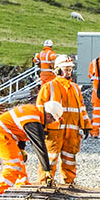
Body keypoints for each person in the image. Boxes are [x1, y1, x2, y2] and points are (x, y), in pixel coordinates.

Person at [36, 54, 86, 187]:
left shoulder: (75, 88)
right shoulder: (49, 87)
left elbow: (82, 108)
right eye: (66, 69)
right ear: (58, 70)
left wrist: (86, 125)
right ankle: (45, 181)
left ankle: (69, 181)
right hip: (54, 131)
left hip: (72, 131)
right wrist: (41, 128)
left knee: (70, 158)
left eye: (70, 69)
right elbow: (40, 109)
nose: (68, 72)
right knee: (50, 158)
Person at [0, 101, 51, 198]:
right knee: (14, 164)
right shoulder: (34, 122)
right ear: (49, 116)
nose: (51, 123)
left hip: (1, 131)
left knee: (18, 158)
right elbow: (40, 147)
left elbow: (21, 129)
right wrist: (47, 170)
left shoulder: (33, 112)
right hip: (0, 133)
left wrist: (21, 148)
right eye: (52, 120)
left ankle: (22, 183)